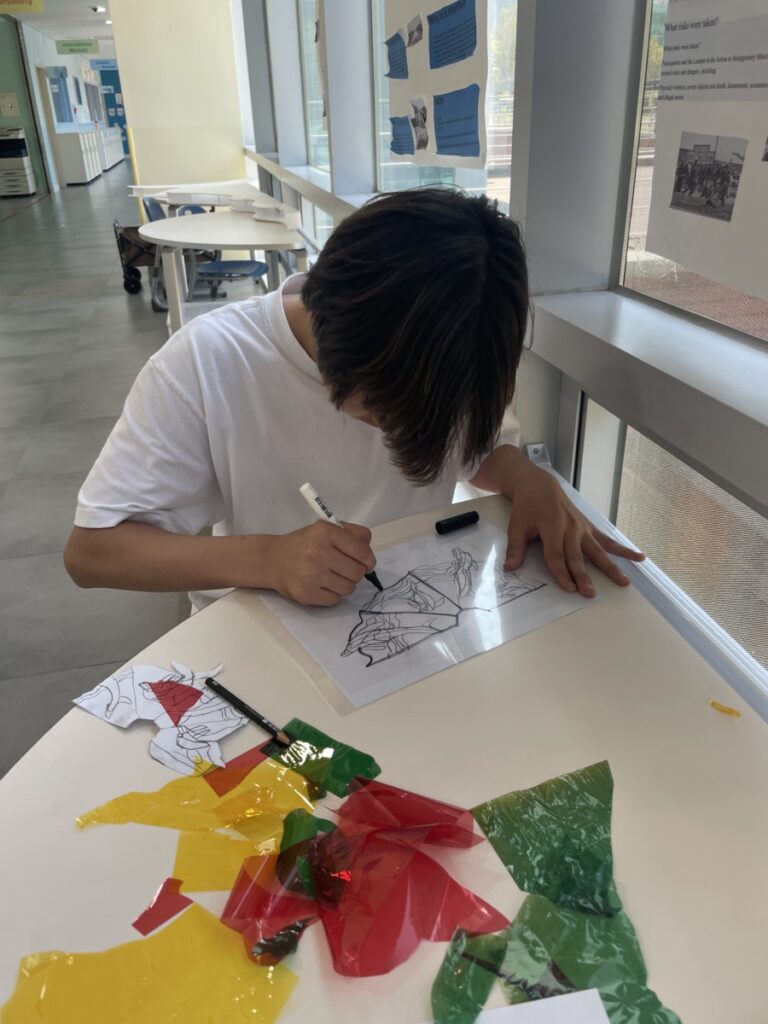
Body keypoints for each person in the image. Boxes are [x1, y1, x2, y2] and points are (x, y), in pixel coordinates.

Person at [64, 188, 643, 609]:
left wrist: (525, 478)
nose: (405, 430)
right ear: (336, 336)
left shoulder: (454, 345)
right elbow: (91, 552)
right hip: (256, 645)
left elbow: (476, 451)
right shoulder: (207, 362)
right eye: (386, 412)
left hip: (411, 614)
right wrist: (268, 560)